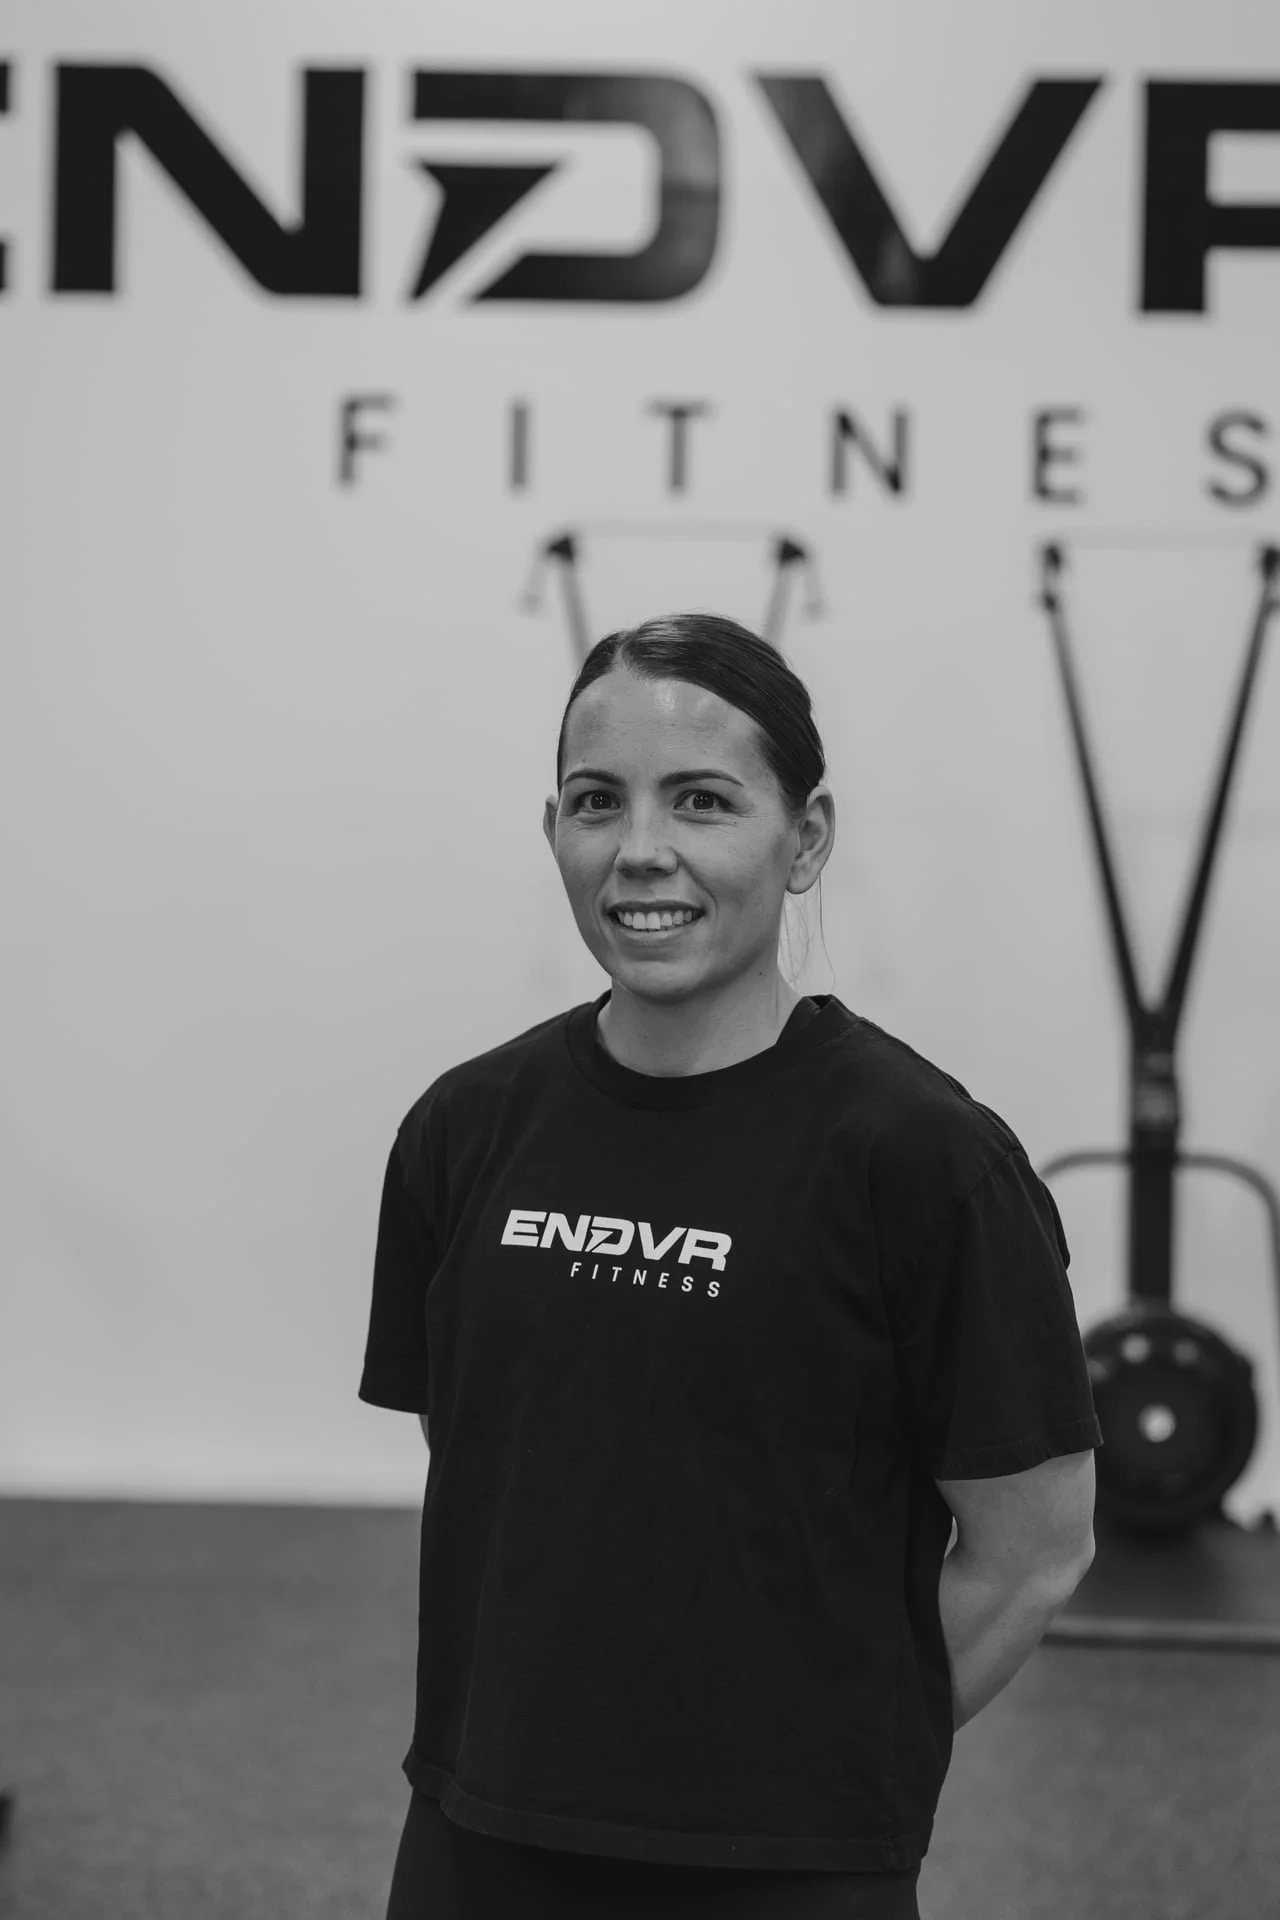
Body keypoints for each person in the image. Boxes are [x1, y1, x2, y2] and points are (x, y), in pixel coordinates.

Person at [359, 612, 1103, 1919]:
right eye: (599, 801)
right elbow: (492, 1455)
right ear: (554, 830)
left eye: (702, 801)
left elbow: (1033, 1550)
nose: (640, 849)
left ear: (804, 840)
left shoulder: (925, 1160)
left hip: (789, 1865)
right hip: (480, 1831)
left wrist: (824, 1764)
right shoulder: (464, 1129)